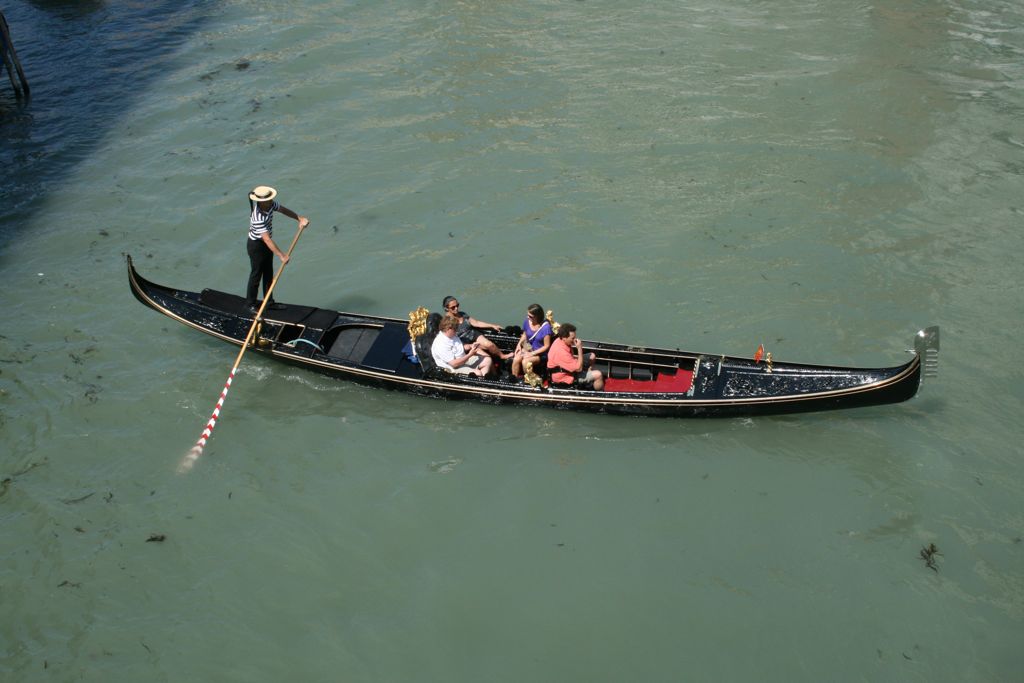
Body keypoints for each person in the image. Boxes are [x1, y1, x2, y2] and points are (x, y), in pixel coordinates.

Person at [246, 185, 310, 312]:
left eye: (270, 199)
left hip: (266, 244)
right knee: (256, 274)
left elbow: (283, 210)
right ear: (260, 202)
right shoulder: (257, 217)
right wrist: (281, 255)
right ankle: (250, 304)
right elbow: (267, 239)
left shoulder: (269, 205)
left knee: (268, 273)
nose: (271, 202)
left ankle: (269, 302)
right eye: (268, 200)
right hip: (256, 246)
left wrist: (299, 218)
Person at [441, 296, 512, 361]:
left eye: (457, 305)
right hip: (462, 341)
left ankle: (502, 356)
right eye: (453, 307)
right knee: (486, 356)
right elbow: (448, 337)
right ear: (447, 308)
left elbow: (476, 323)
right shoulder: (447, 320)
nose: (456, 308)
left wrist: (492, 325)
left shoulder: (462, 314)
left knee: (489, 345)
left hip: (473, 334)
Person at [547, 323, 604, 390]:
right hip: (565, 377)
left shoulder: (559, 340)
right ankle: (598, 394)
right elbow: (579, 369)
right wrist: (579, 348)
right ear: (564, 338)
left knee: (592, 356)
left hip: (569, 366)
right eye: (572, 338)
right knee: (598, 375)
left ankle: (587, 377)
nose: (575, 340)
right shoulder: (561, 352)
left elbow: (571, 358)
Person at [512, 303, 553, 377]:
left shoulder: (546, 328)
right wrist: (519, 345)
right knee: (516, 359)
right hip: (528, 347)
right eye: (528, 315)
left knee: (526, 362)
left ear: (537, 317)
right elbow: (524, 335)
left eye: (530, 316)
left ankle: (529, 380)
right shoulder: (527, 322)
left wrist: (532, 354)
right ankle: (514, 378)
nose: (527, 317)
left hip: (540, 353)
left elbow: (546, 346)